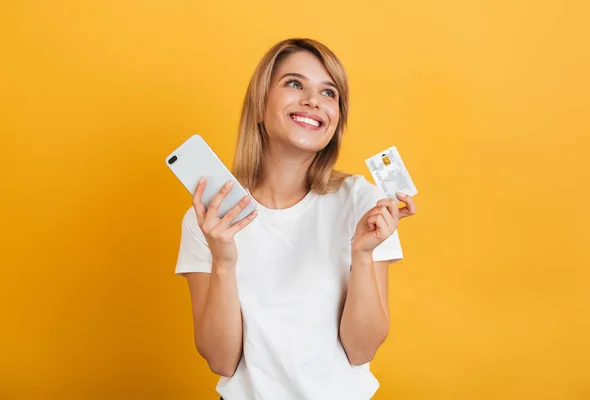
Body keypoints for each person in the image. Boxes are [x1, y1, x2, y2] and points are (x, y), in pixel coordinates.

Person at [174, 38, 417, 400]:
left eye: (329, 92)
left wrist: (362, 255)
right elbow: (222, 361)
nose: (313, 101)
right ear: (260, 104)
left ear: (336, 119)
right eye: (294, 83)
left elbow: (361, 350)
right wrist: (224, 260)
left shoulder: (363, 202)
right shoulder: (209, 219)